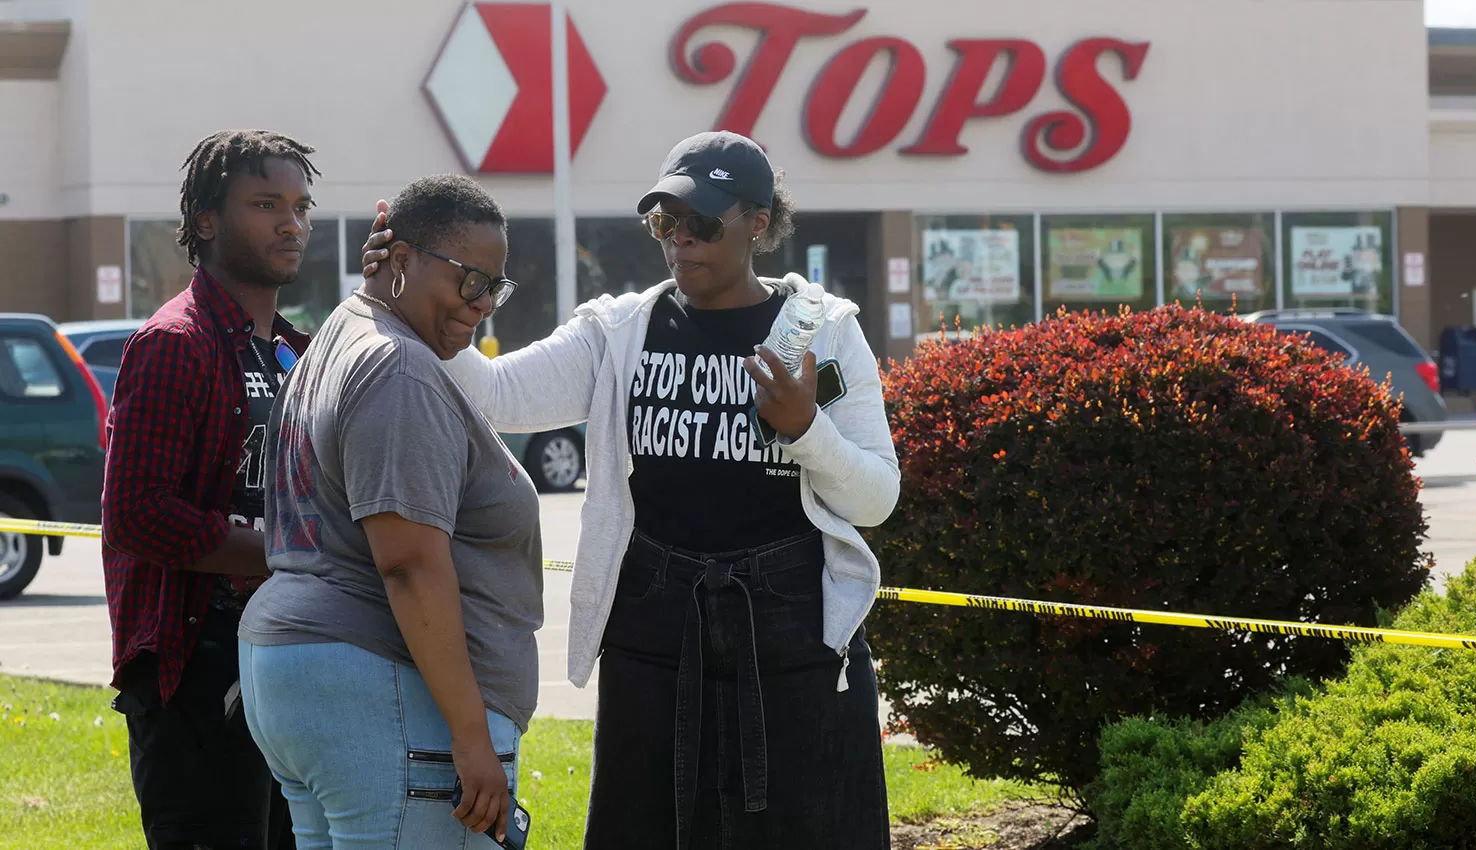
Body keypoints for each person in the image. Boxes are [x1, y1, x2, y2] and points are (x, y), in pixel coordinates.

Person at [362, 131, 900, 848]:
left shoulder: (823, 333)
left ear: (759, 225)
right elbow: (496, 396)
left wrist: (807, 429)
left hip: (793, 638)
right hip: (654, 629)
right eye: (664, 221)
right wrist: (413, 302)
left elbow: (876, 499)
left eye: (701, 223)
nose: (680, 240)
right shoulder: (620, 331)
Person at [237, 173, 543, 848]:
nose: (484, 303)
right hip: (384, 686)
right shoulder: (395, 368)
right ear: (400, 261)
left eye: (496, 286)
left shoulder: (344, 336)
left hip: (317, 678)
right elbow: (408, 565)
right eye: (470, 280)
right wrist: (471, 738)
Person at [101, 129, 316, 850]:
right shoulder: (174, 343)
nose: (292, 222)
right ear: (206, 222)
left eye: (300, 205)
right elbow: (137, 514)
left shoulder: (296, 352)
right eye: (265, 204)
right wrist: (289, 555)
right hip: (195, 673)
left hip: (289, 664)